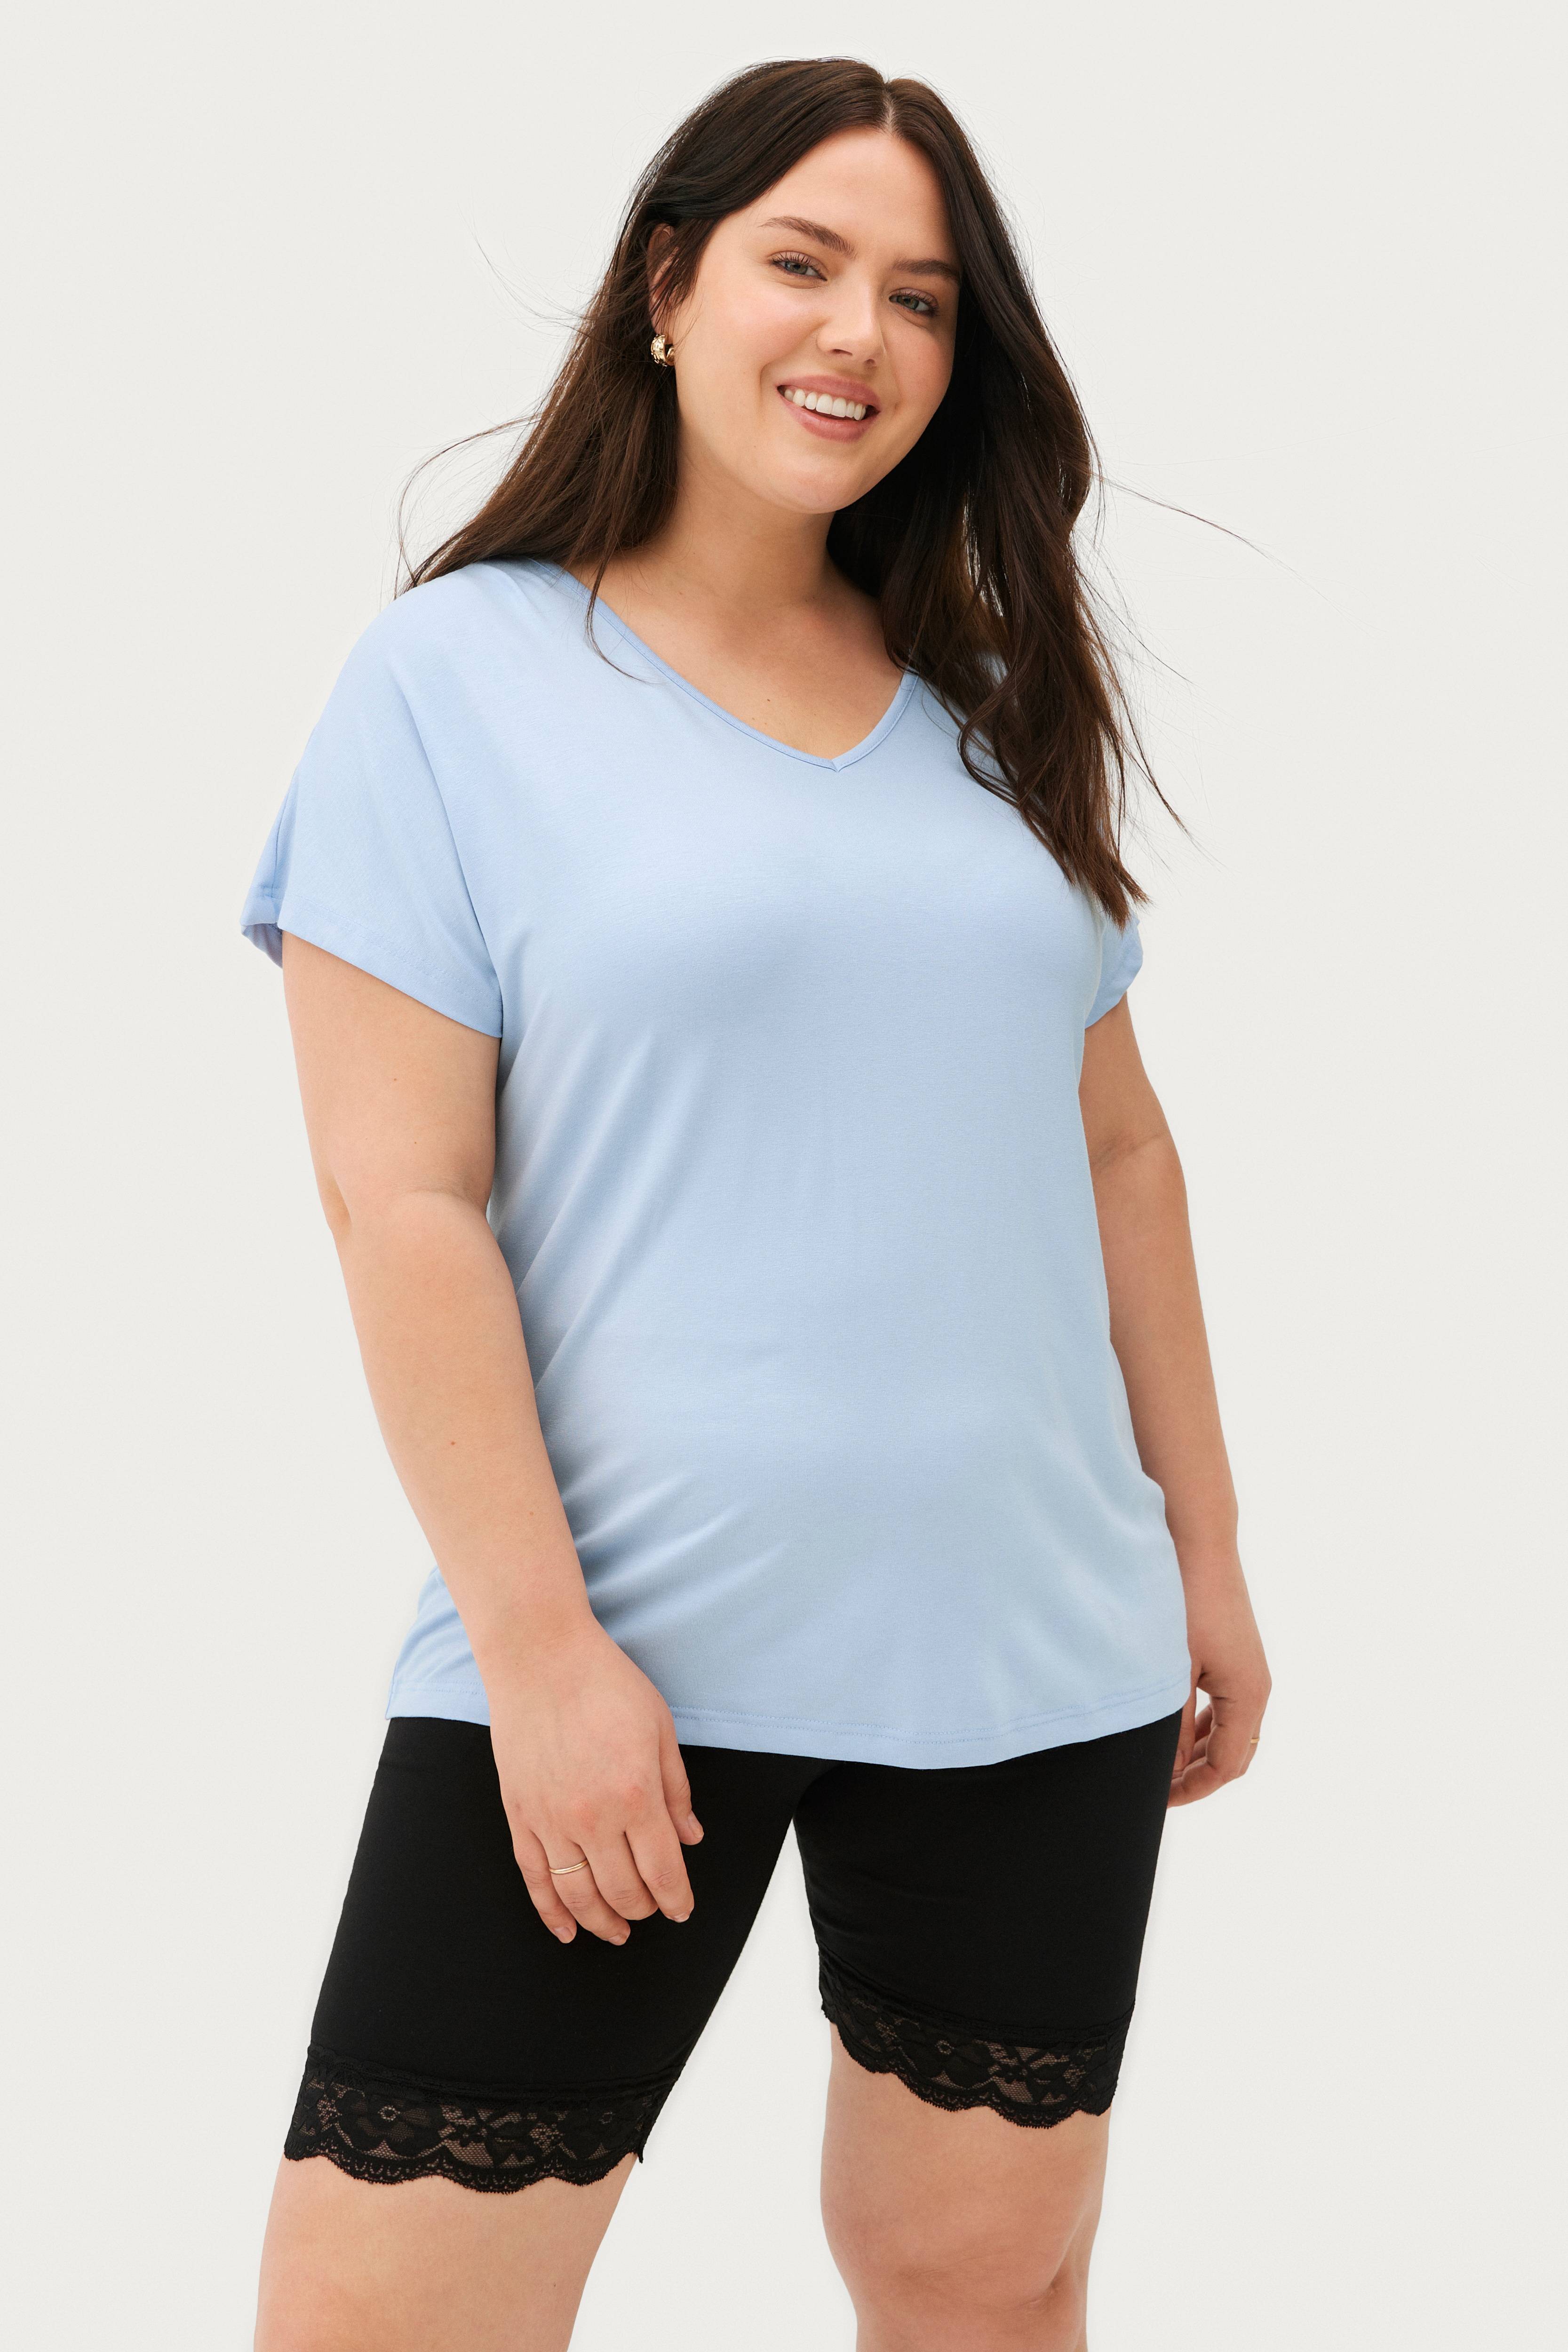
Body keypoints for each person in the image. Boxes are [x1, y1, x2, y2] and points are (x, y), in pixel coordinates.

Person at [242, 55, 1271, 2352]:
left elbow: (1118, 1148)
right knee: (383, 2318)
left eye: (922, 296)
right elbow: (401, 1199)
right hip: (618, 1660)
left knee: (982, 2283)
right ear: (669, 284)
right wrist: (537, 1655)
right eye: (804, 262)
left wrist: (1204, 1547)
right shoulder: (453, 678)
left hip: (1041, 1654)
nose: (860, 334)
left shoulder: (988, 706)